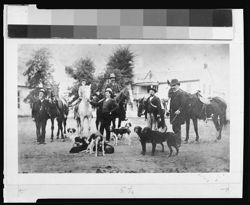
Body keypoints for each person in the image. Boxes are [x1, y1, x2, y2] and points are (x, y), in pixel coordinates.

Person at [168, 79, 187, 147]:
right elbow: (171, 103)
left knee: (177, 128)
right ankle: (176, 140)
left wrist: (179, 110)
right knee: (174, 127)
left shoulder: (181, 93)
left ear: (178, 85)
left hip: (179, 114)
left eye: (174, 85)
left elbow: (183, 103)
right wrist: (169, 110)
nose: (173, 87)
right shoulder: (173, 93)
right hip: (173, 113)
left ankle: (178, 142)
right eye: (172, 85)